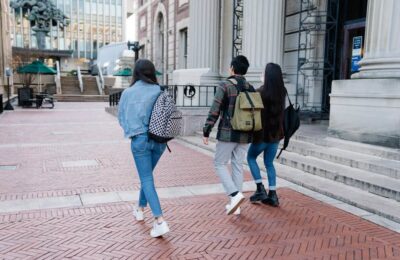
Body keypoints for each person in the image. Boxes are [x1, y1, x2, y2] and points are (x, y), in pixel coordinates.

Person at [118, 59, 169, 238]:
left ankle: (160, 221)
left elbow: (121, 118)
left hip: (139, 139)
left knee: (146, 178)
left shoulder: (128, 93)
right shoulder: (159, 90)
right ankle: (139, 208)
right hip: (160, 140)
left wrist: (132, 130)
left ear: (136, 73)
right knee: (147, 177)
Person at [203, 55, 255, 215]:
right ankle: (236, 205)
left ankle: (234, 195)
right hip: (246, 133)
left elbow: (215, 109)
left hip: (227, 132)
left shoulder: (225, 85)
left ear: (232, 68)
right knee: (238, 165)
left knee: (219, 163)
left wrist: (207, 130)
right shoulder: (250, 87)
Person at [247, 63, 286, 207]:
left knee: (251, 157)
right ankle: (273, 195)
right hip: (275, 135)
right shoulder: (282, 91)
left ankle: (259, 189)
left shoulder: (260, 92)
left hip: (261, 135)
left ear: (267, 76)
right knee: (269, 163)